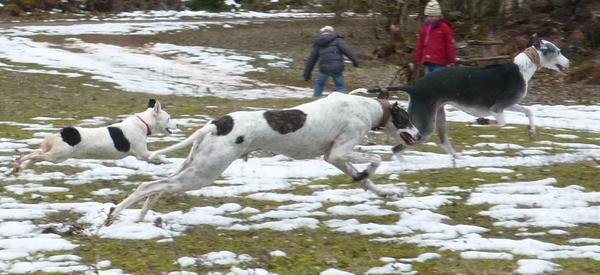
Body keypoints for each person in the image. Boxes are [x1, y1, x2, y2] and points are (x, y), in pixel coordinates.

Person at [303, 26, 359, 98]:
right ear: (332, 32)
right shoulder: (338, 40)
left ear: (322, 32)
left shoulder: (318, 43)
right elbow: (348, 52)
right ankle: (342, 99)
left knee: (319, 84)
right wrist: (355, 62)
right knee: (340, 85)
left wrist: (307, 74)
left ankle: (316, 98)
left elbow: (312, 60)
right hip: (337, 67)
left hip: (324, 68)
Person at [414, 0, 456, 75]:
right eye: (428, 16)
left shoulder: (444, 28)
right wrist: (418, 59)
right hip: (428, 62)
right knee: (428, 82)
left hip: (440, 64)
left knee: (438, 84)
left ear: (438, 16)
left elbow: (450, 45)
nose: (430, 18)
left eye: (433, 16)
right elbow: (420, 44)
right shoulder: (425, 29)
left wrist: (451, 61)